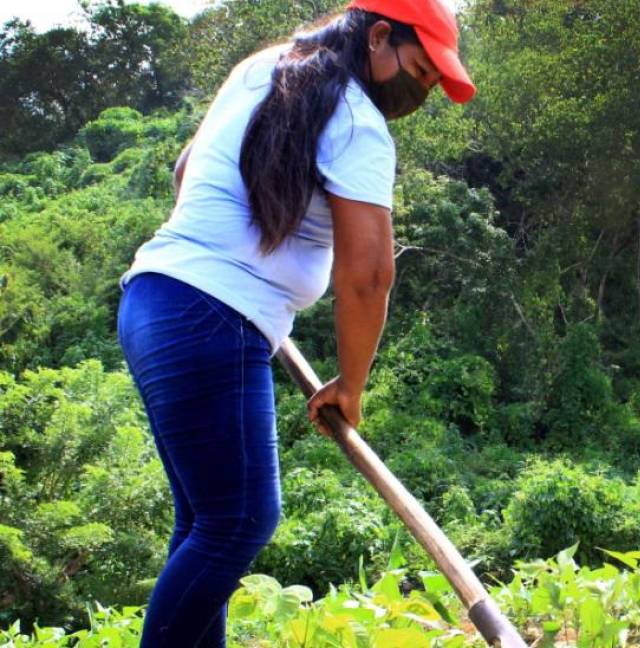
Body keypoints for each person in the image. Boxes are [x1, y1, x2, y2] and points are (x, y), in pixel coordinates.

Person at [116, 0, 475, 645]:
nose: (419, 92)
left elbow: (185, 168)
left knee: (207, 521)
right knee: (241, 521)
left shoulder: (264, 68)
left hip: (156, 300)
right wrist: (352, 385)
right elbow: (367, 276)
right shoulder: (357, 119)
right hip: (210, 319)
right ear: (381, 37)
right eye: (420, 71)